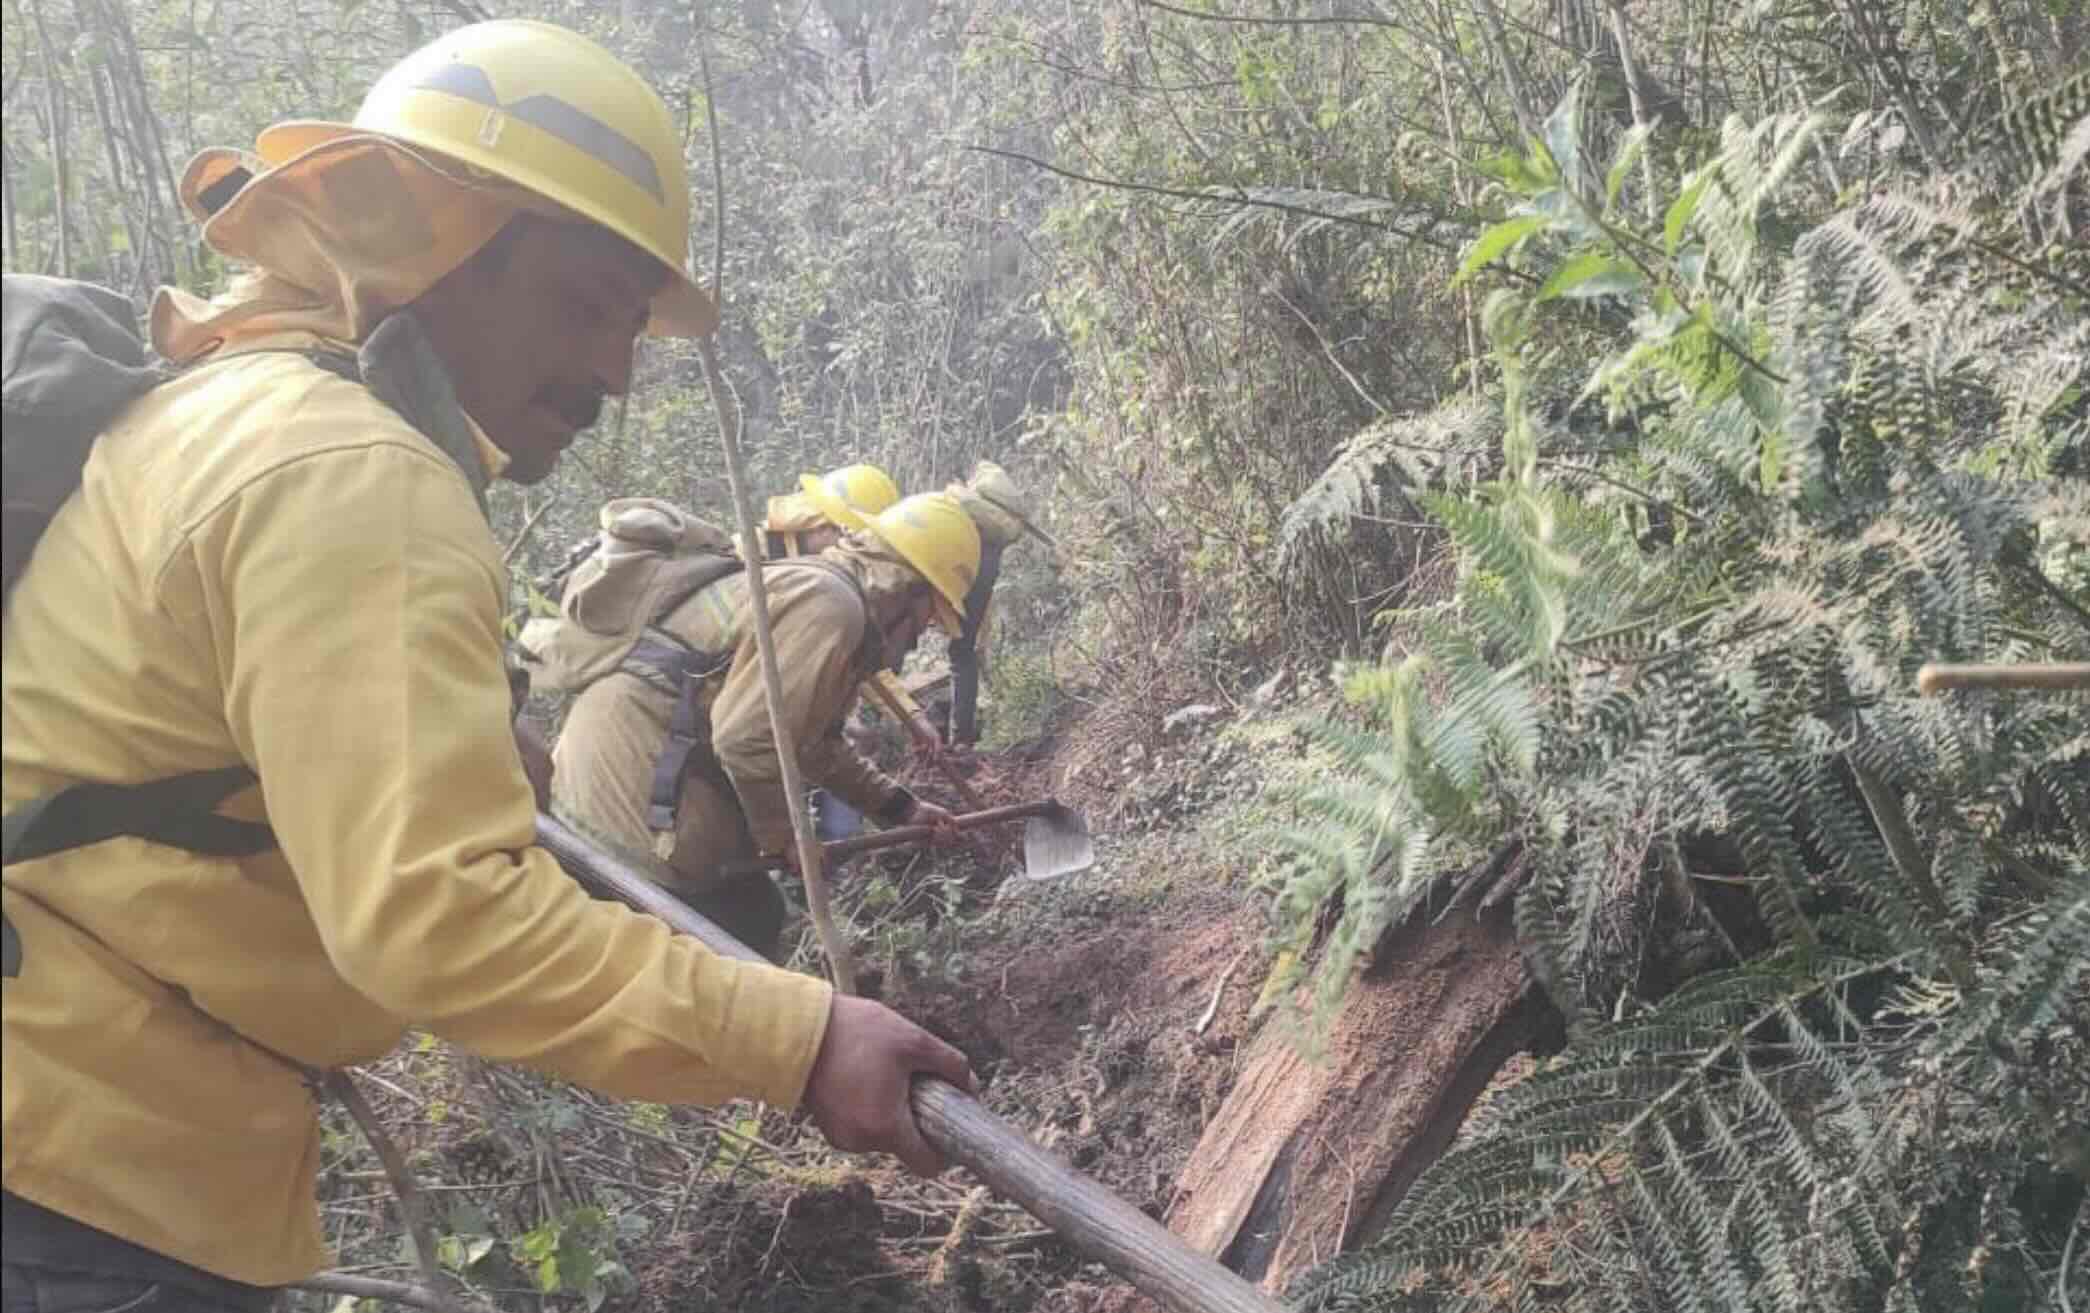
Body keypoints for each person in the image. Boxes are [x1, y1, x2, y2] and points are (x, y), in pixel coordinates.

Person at [0, 21, 972, 1313]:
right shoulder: (348, 475)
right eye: (586, 305)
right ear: (439, 247)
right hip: (71, 1160)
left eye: (630, 328)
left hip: (91, 1123)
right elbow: (438, 921)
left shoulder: (231, 409)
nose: (613, 375)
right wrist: (796, 1037)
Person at [538, 492, 980, 959]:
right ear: (906, 589)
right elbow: (747, 739)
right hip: (628, 806)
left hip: (638, 782)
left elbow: (811, 744)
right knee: (716, 957)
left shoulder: (827, 599)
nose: (923, 634)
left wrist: (898, 807)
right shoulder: (830, 608)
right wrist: (785, 836)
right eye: (933, 614)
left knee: (757, 917)